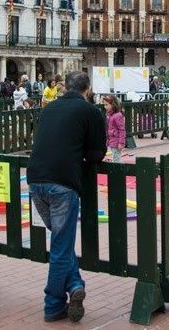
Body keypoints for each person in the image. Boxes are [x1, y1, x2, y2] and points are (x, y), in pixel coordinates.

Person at [27, 72, 106, 323]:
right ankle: (53, 305)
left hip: (35, 180)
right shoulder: (90, 111)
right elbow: (97, 153)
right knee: (61, 247)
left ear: (64, 88)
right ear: (88, 89)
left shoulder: (49, 109)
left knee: (61, 242)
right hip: (62, 183)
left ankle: (74, 285)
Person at [103, 95, 126, 162]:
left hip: (116, 141)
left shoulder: (117, 115)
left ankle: (118, 171)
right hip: (112, 140)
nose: (105, 107)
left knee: (116, 159)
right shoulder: (110, 115)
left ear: (112, 105)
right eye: (104, 105)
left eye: (106, 105)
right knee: (115, 158)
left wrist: (121, 143)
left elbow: (122, 130)